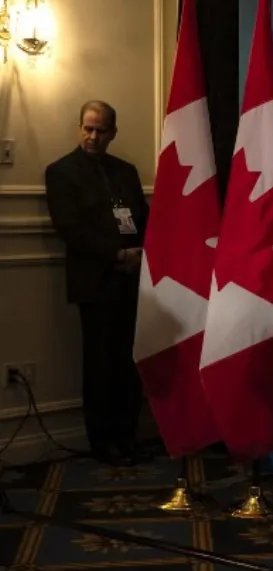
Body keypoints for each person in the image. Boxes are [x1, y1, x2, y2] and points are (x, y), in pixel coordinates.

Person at [45, 100, 149, 466]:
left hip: (132, 280)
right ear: (79, 128)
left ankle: (128, 435)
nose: (92, 136)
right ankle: (102, 442)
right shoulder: (60, 172)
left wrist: (141, 252)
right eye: (87, 128)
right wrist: (117, 255)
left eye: (100, 130)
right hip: (96, 283)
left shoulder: (125, 171)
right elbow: (70, 229)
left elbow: (141, 217)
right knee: (100, 364)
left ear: (112, 133)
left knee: (129, 363)